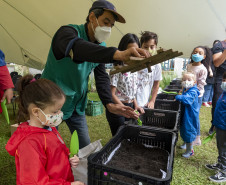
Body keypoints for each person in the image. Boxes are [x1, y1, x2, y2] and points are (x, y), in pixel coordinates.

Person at [41, 0, 149, 149]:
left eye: (111, 25)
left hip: (76, 105)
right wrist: (118, 54)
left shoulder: (101, 47)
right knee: (48, 147)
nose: (108, 28)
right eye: (105, 21)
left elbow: (101, 77)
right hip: (50, 103)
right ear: (92, 17)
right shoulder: (66, 33)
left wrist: (109, 103)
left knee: (85, 148)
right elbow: (79, 49)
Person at [5, 75, 84, 185]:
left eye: (60, 110)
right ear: (36, 112)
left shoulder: (48, 127)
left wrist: (69, 157)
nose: (60, 114)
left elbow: (56, 151)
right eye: (55, 111)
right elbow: (33, 182)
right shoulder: (29, 143)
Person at [106, 33, 145, 136]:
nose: (133, 54)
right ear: (123, 50)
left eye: (136, 50)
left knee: (130, 135)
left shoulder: (135, 69)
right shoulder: (117, 69)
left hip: (130, 106)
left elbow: (133, 92)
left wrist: (136, 106)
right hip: (118, 107)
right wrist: (125, 109)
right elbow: (112, 94)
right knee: (119, 137)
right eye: (130, 50)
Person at [187, 46, 212, 145]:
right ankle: (189, 136)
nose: (197, 54)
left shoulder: (203, 69)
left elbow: (201, 85)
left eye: (200, 53)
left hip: (197, 95)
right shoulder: (189, 66)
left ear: (204, 56)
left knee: (195, 116)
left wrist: (193, 92)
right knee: (188, 116)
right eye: (195, 52)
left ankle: (197, 138)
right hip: (187, 94)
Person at [205, 72, 226, 183]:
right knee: (220, 147)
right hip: (220, 125)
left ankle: (224, 172)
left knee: (224, 149)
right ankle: (220, 164)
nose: (224, 82)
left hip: (224, 127)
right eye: (224, 79)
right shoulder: (224, 93)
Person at [176, 72, 200, 158]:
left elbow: (187, 99)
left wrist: (178, 97)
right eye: (184, 80)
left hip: (190, 115)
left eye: (189, 80)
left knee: (188, 130)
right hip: (185, 114)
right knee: (184, 129)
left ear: (194, 82)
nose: (186, 81)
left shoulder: (193, 91)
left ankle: (190, 150)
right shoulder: (186, 89)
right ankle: (186, 144)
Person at [136, 31, 162, 108]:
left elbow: (156, 84)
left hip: (144, 103)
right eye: (145, 47)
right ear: (140, 47)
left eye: (152, 47)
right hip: (130, 102)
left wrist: (152, 101)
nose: (149, 50)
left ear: (156, 47)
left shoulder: (157, 65)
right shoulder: (134, 62)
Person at [209, 40, 226, 135]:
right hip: (221, 78)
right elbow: (216, 63)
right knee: (218, 103)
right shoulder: (219, 45)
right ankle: (214, 125)